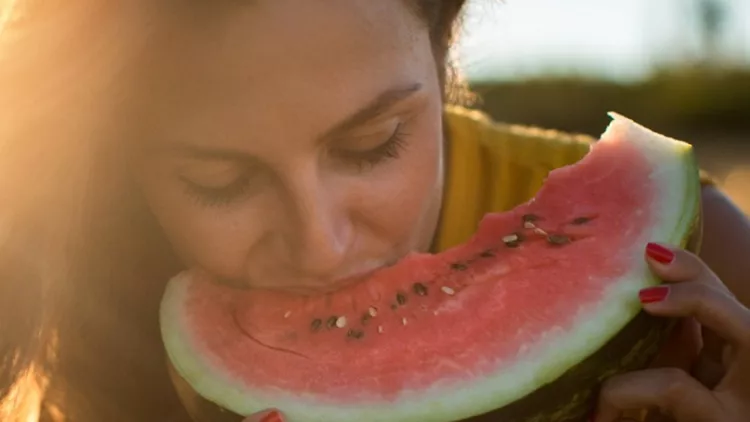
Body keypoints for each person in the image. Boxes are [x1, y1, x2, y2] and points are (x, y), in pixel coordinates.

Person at [0, 1, 748, 421]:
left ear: (442, 52)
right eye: (220, 182)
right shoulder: (91, 315)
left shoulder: (705, 266)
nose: (321, 245)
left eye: (373, 144)